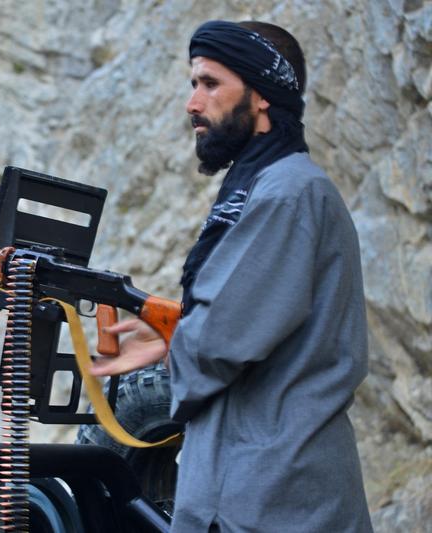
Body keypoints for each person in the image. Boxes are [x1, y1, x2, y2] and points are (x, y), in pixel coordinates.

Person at [91, 20, 373, 532]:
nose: (192, 103)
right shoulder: (275, 186)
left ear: (262, 94)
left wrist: (178, 338)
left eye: (210, 83)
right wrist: (174, 329)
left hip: (268, 496)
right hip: (269, 486)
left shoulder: (286, 193)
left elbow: (224, 342)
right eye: (192, 84)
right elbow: (242, 317)